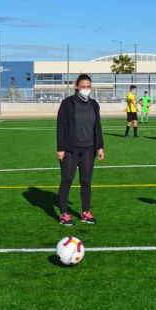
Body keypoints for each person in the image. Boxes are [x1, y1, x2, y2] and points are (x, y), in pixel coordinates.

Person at [56, 74, 105, 226]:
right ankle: (64, 214)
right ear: (76, 87)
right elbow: (61, 126)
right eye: (83, 86)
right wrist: (61, 148)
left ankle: (85, 213)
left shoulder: (94, 104)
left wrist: (99, 146)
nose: (86, 89)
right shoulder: (67, 103)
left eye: (88, 86)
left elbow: (97, 126)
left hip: (88, 149)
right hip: (70, 149)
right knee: (67, 180)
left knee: (86, 181)